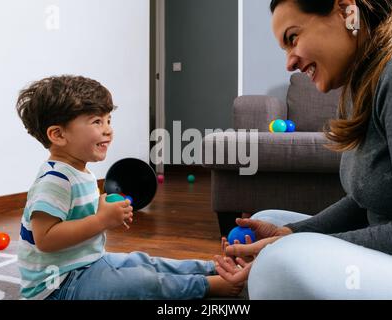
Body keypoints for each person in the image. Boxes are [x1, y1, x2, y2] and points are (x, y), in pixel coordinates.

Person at [215, 0, 392, 299]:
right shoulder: (364, 84)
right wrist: (292, 233)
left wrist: (288, 249)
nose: (289, 61)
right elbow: (366, 200)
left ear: (346, 11)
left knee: (278, 264)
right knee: (272, 223)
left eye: (293, 38)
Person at [16, 75, 243, 300]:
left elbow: (78, 219)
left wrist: (105, 211)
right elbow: (45, 239)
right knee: (143, 282)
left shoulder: (80, 171)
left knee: (142, 261)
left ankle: (211, 268)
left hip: (87, 263)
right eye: (97, 121)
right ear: (58, 134)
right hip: (58, 287)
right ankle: (205, 285)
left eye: (108, 120)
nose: (108, 130)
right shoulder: (54, 180)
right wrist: (101, 220)